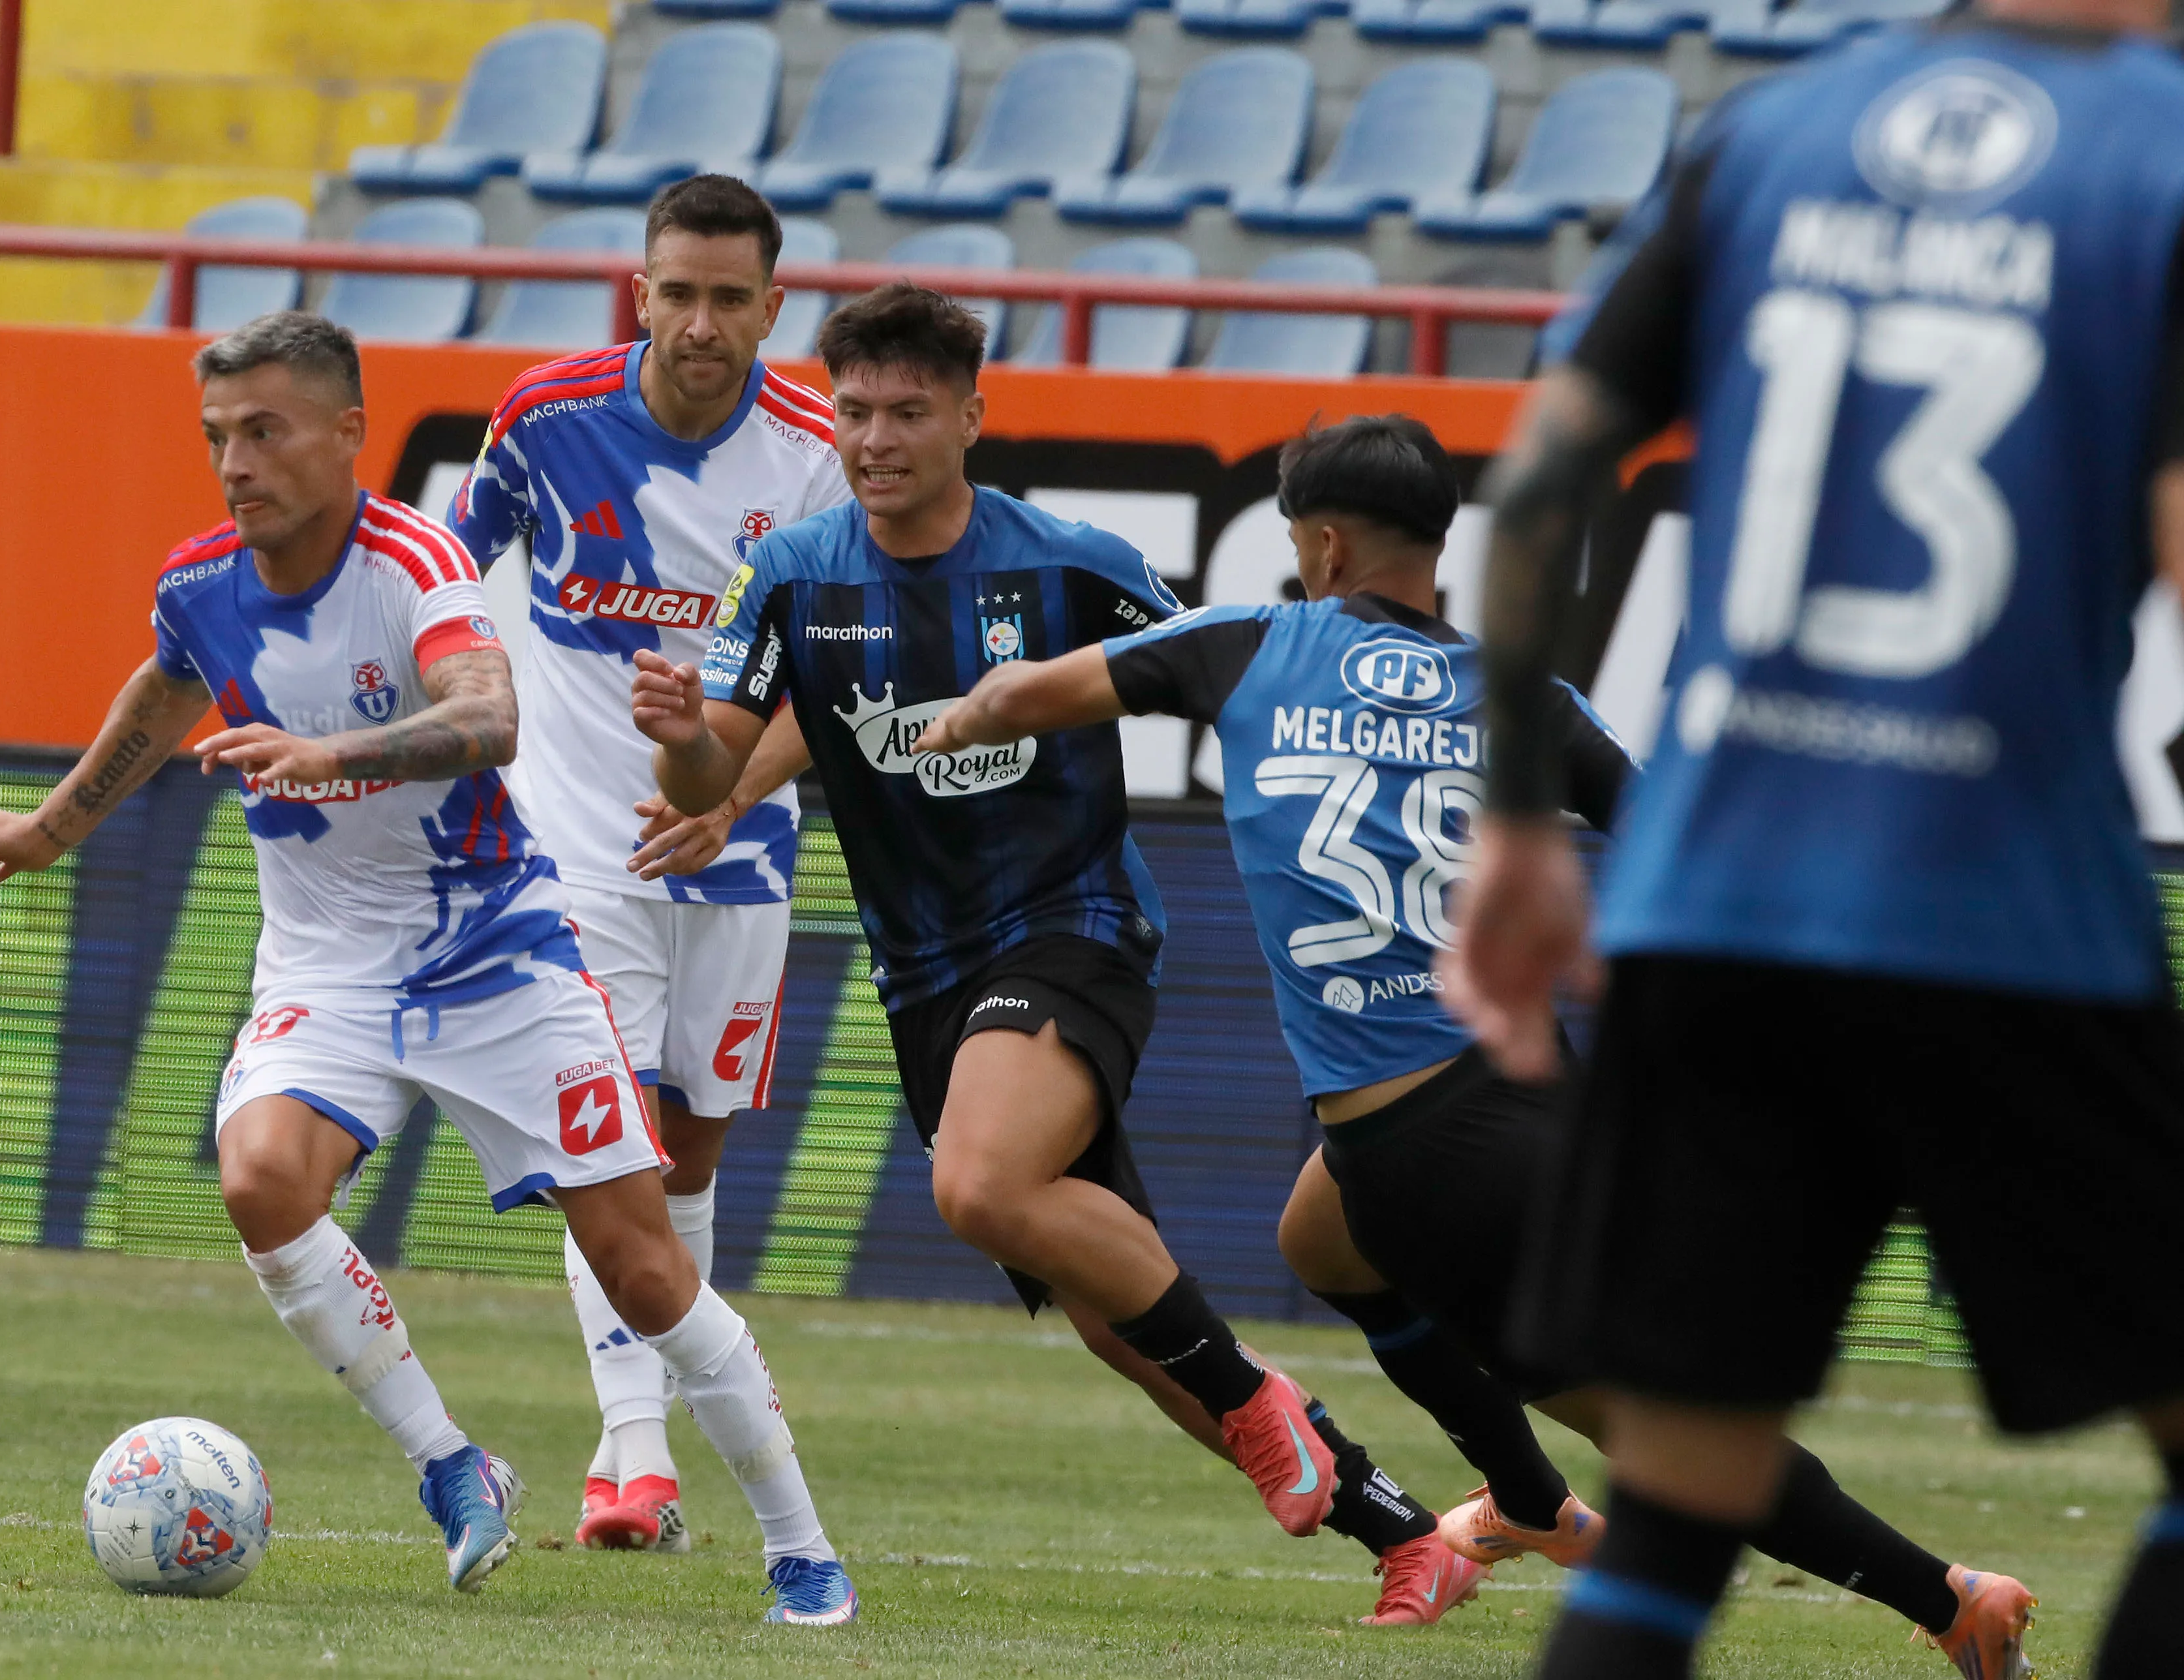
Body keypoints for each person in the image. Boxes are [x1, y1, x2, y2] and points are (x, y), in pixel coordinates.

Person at [918, 412, 2040, 1669]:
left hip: (1428, 1156)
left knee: (1663, 1434)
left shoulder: (1252, 645)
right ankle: (1524, 1499)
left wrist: (952, 726)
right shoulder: (1527, 698)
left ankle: (1947, 1597)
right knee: (1318, 1242)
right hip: (1517, 1087)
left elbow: (1025, 693)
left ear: (1324, 545)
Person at [1443, 0, 2184, 1672]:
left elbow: (1550, 471)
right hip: (2007, 915)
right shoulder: (2161, 155)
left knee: (1683, 1491)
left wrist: (1513, 823)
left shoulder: (1774, 133)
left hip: (1714, 910)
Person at [0, 311, 858, 1625]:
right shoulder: (200, 581)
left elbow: (489, 717)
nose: (236, 465)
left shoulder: (415, 560)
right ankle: (451, 1465)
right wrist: (50, 826)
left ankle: (802, 1549)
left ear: (348, 432)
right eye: (216, 439)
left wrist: (339, 757)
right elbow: (163, 688)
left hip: (498, 952)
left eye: (265, 432)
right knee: (259, 1179)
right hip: (331, 964)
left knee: (644, 1268)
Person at [630, 281, 1484, 1621]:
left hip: (1070, 930)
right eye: (854, 412)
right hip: (923, 978)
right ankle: (1405, 1533)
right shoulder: (792, 574)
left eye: (910, 412)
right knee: (1121, 1319)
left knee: (980, 1183)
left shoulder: (1073, 563)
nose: (876, 439)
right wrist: (687, 737)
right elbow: (702, 781)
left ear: (973, 416)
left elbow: (1232, 675)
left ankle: (1271, 1411)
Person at [448, 173, 844, 1555]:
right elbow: (445, 573)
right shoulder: (546, 421)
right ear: (640, 291)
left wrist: (735, 797)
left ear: (773, 309)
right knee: (602, 1141)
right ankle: (632, 1458)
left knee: (686, 1156)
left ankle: (656, 1449)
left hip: (739, 862)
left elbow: (846, 680)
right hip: (573, 856)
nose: (700, 322)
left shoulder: (813, 457)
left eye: (731, 299)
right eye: (677, 292)